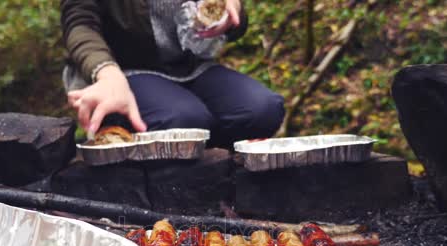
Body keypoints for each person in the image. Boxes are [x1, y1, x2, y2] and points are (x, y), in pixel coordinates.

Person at [61, 0, 285, 148]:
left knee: (262, 109)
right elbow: (80, 22)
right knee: (185, 121)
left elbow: (235, 21)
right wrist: (106, 74)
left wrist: (231, 12)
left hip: (191, 66)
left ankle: (218, 175)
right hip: (124, 72)